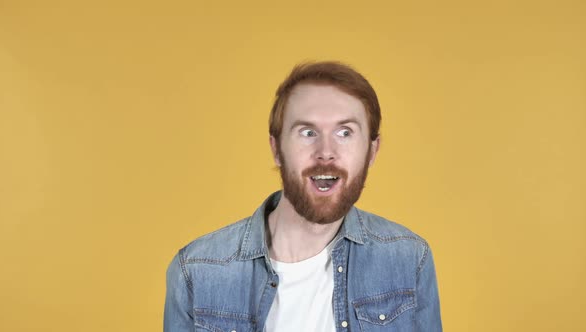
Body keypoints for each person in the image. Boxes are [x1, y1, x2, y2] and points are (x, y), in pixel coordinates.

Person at [164, 61, 442, 331]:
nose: (326, 151)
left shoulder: (409, 259)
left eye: (345, 132)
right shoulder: (196, 273)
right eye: (308, 132)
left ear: (372, 151)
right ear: (276, 148)